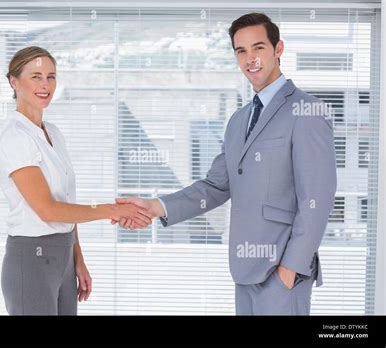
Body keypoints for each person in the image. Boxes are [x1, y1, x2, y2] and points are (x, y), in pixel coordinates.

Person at [114, 13, 337, 315]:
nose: (250, 59)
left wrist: (291, 268)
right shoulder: (239, 121)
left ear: (278, 49)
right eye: (241, 51)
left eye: (258, 48)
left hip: (282, 273)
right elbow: (217, 185)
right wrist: (156, 207)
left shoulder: (306, 111)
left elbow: (318, 199)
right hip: (245, 271)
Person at [0, 46, 151, 315]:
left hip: (63, 257)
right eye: (36, 76)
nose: (45, 85)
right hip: (31, 258)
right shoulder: (16, 138)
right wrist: (113, 210)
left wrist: (78, 259)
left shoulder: (53, 133)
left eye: (51, 76)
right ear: (14, 81)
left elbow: (66, 204)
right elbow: (47, 209)